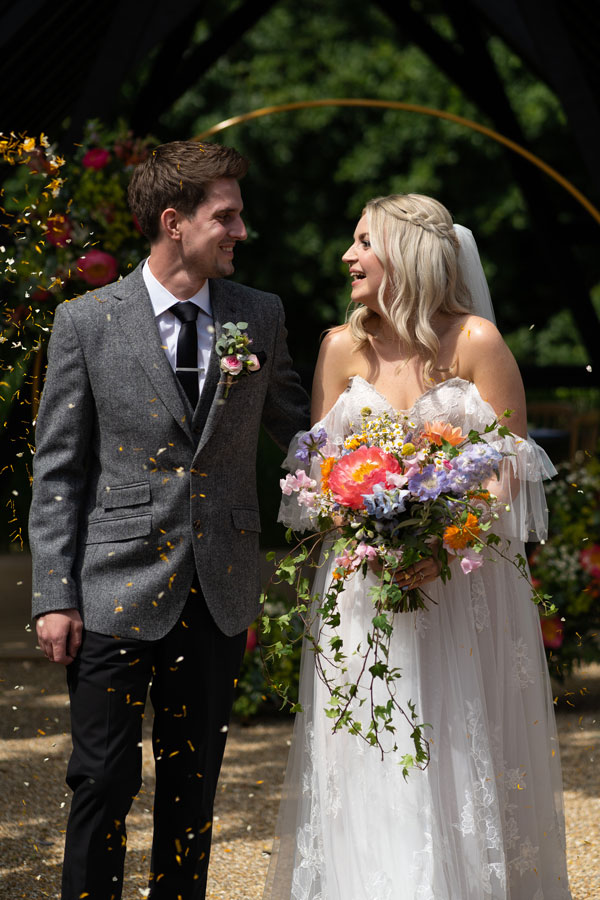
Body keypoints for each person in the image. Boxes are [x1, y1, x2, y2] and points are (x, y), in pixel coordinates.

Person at [264, 194, 572, 899]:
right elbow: (319, 466)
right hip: (363, 590)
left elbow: (509, 470)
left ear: (408, 252)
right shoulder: (340, 347)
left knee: (457, 750)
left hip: (458, 589)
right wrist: (365, 533)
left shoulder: (476, 343)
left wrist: (444, 535)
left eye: (364, 241)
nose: (348, 256)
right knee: (363, 755)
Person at [29, 140, 310, 900]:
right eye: (227, 217)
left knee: (193, 792)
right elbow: (59, 469)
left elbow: (301, 430)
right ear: (173, 221)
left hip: (216, 590)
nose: (240, 231)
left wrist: (393, 470)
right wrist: (54, 594)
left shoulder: (261, 314)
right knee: (100, 782)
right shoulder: (85, 321)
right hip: (111, 591)